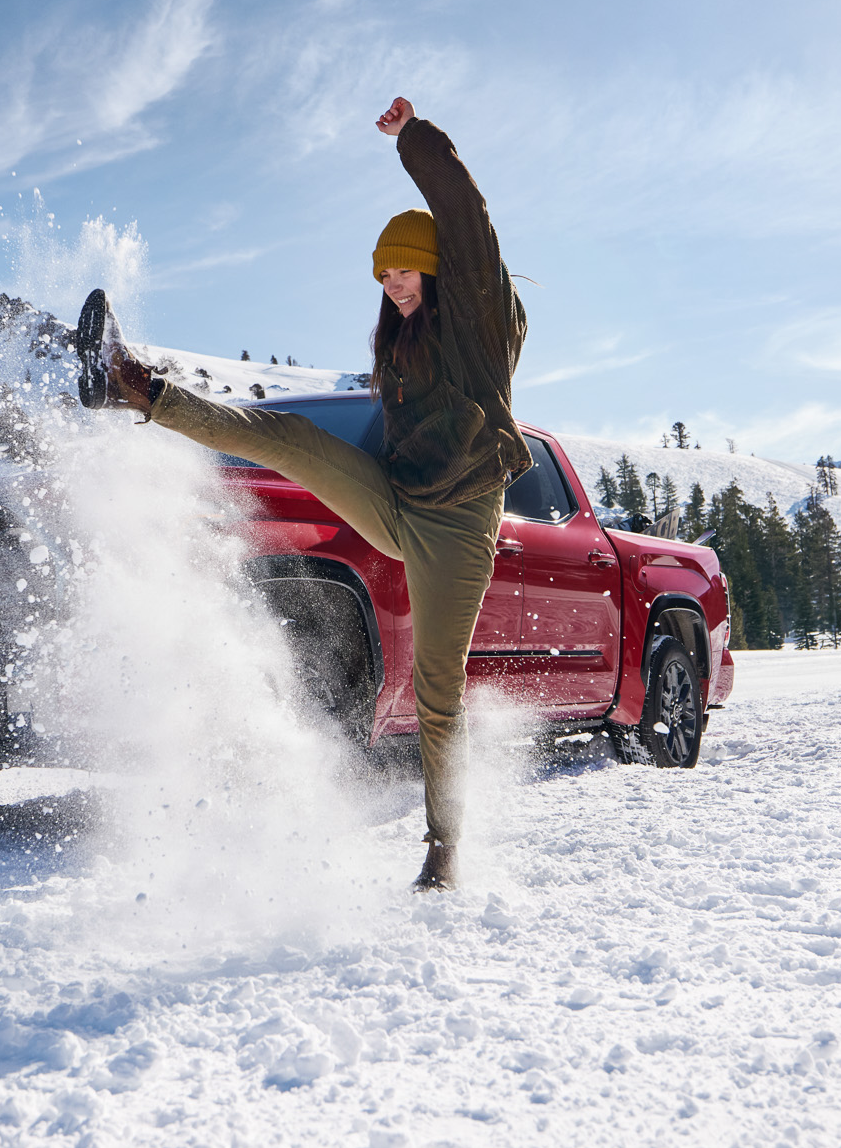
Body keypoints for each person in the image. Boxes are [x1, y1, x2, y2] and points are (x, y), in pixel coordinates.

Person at [76, 97, 529, 892]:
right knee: (285, 439)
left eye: (405, 270)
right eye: (383, 275)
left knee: (436, 687)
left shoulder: (482, 320)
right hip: (400, 502)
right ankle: (133, 387)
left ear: (439, 265)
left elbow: (467, 211)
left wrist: (413, 140)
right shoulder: (401, 342)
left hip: (458, 530)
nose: (394, 287)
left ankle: (444, 848)